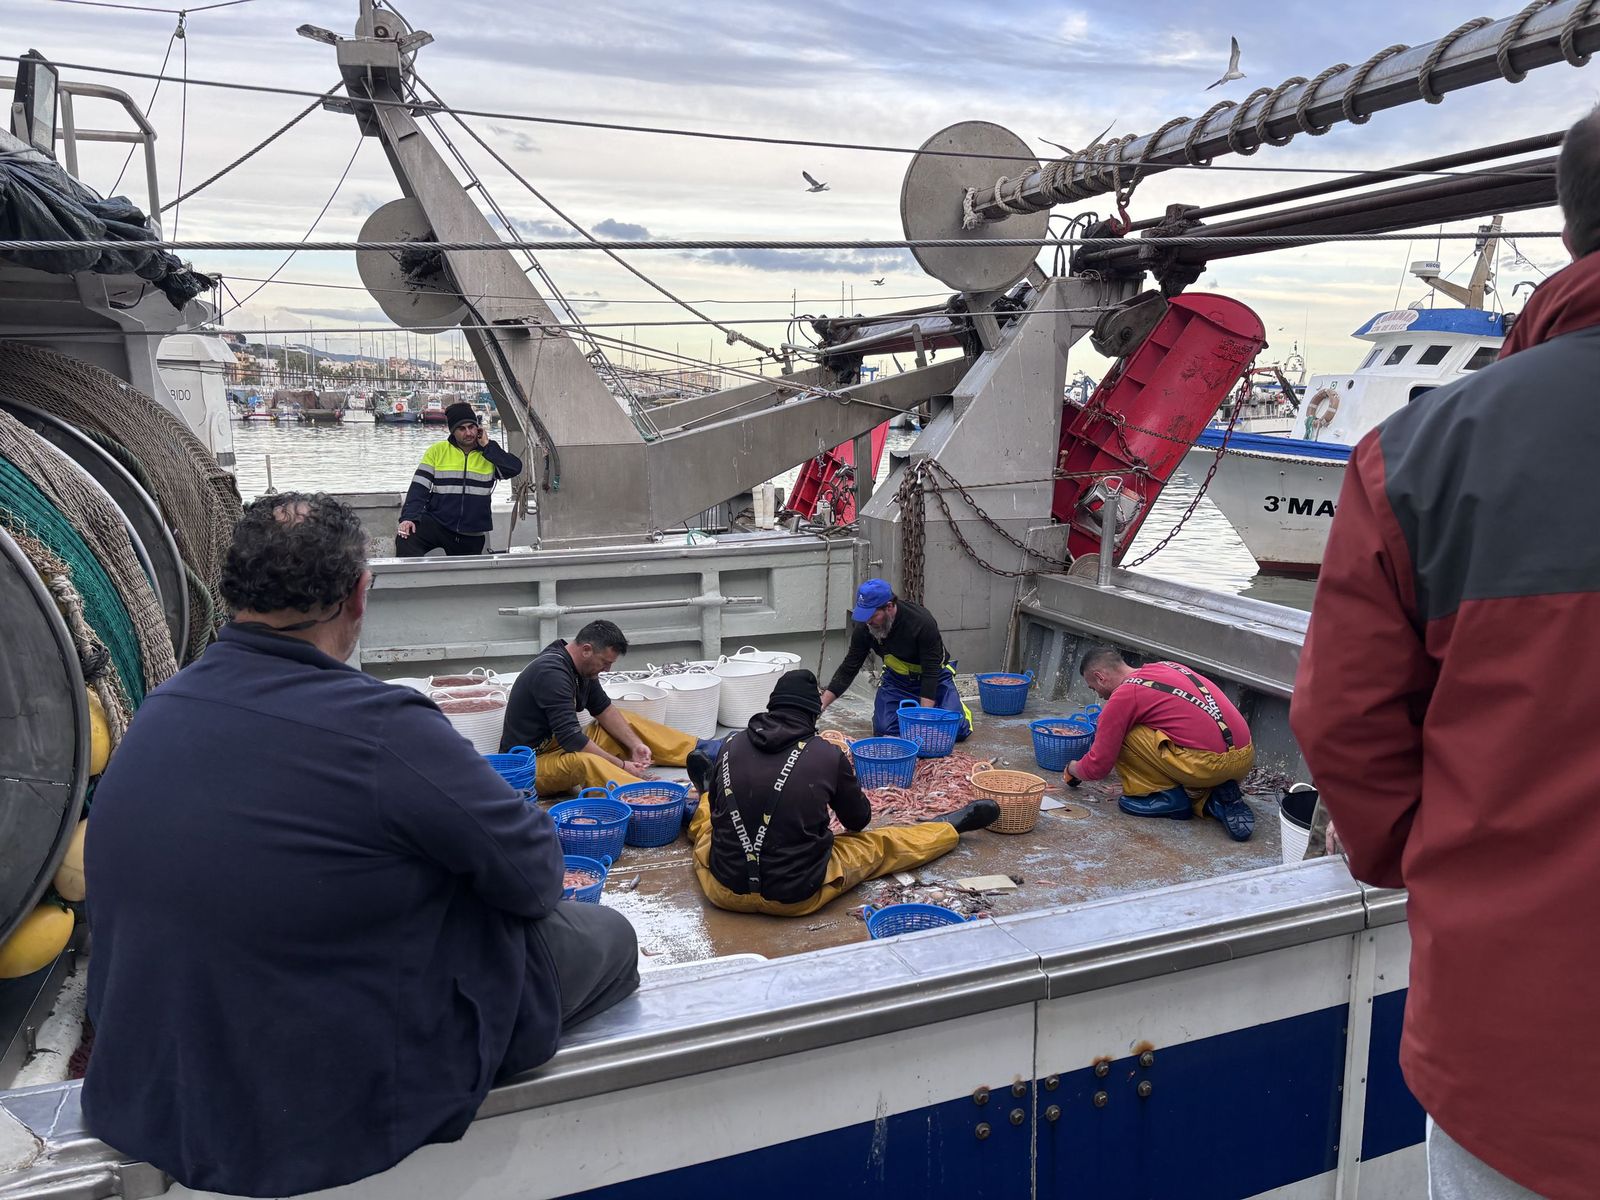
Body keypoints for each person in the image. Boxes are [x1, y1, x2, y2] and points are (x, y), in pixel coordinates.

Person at [82, 493, 638, 1197]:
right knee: (607, 937)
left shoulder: (157, 714)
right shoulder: (383, 727)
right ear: (358, 595)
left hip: (151, 1090)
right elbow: (532, 879)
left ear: (232, 593)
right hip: (308, 1115)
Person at [1289, 107, 1600, 1200]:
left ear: (1569, 234)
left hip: (1519, 1065)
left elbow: (1343, 727)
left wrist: (1456, 860)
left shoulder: (1423, 452)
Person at [686, 669, 998, 915]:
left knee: (709, 825)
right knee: (880, 845)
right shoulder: (826, 755)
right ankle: (948, 828)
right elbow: (858, 822)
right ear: (813, 715)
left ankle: (703, 789)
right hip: (797, 896)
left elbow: (721, 814)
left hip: (723, 891)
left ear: (772, 707)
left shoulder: (729, 745)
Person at [500, 620, 720, 796]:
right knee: (585, 761)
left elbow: (604, 709)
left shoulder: (582, 667)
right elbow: (572, 740)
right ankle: (654, 797)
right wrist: (623, 765)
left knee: (621, 719)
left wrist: (635, 745)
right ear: (586, 649)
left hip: (559, 748)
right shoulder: (552, 674)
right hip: (529, 766)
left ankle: (706, 750)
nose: (606, 669)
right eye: (605, 663)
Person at [1065, 646, 1256, 840]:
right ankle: (1213, 798)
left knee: (1123, 732)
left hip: (1207, 766)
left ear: (1100, 677)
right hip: (1245, 756)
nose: (1098, 695)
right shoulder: (1166, 666)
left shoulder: (1124, 695)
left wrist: (1072, 769)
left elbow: (1099, 766)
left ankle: (1167, 798)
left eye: (1093, 687)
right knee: (1159, 726)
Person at [820, 578, 973, 739]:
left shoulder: (921, 623)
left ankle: (957, 708)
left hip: (935, 677)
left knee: (953, 731)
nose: (868, 622)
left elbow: (931, 674)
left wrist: (922, 720)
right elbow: (849, 668)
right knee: (884, 730)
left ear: (889, 607)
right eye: (864, 616)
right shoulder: (866, 627)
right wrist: (821, 706)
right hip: (897, 681)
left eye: (872, 615)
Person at [395, 401, 522, 557]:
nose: (468, 433)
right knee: (406, 536)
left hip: (471, 531)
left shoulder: (489, 453)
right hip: (437, 522)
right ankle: (412, 581)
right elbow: (419, 488)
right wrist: (408, 518)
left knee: (467, 577)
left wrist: (488, 446)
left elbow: (515, 468)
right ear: (452, 431)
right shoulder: (437, 451)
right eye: (462, 429)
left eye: (471, 427)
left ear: (478, 428)